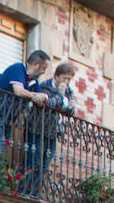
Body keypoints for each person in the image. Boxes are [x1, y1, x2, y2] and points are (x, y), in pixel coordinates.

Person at [21, 61, 76, 195]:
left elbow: (69, 112)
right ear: (56, 76)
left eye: (69, 79)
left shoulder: (69, 90)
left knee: (45, 164)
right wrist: (61, 96)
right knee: (33, 161)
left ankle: (34, 192)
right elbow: (50, 104)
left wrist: (71, 106)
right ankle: (25, 191)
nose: (67, 82)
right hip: (36, 129)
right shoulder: (44, 86)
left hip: (52, 132)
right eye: (64, 78)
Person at [0, 49, 49, 151]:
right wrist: (37, 96)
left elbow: (41, 102)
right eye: (44, 68)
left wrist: (44, 97)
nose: (44, 72)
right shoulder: (17, 69)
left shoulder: (33, 81)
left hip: (8, 119)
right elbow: (19, 91)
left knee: (1, 153)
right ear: (36, 64)